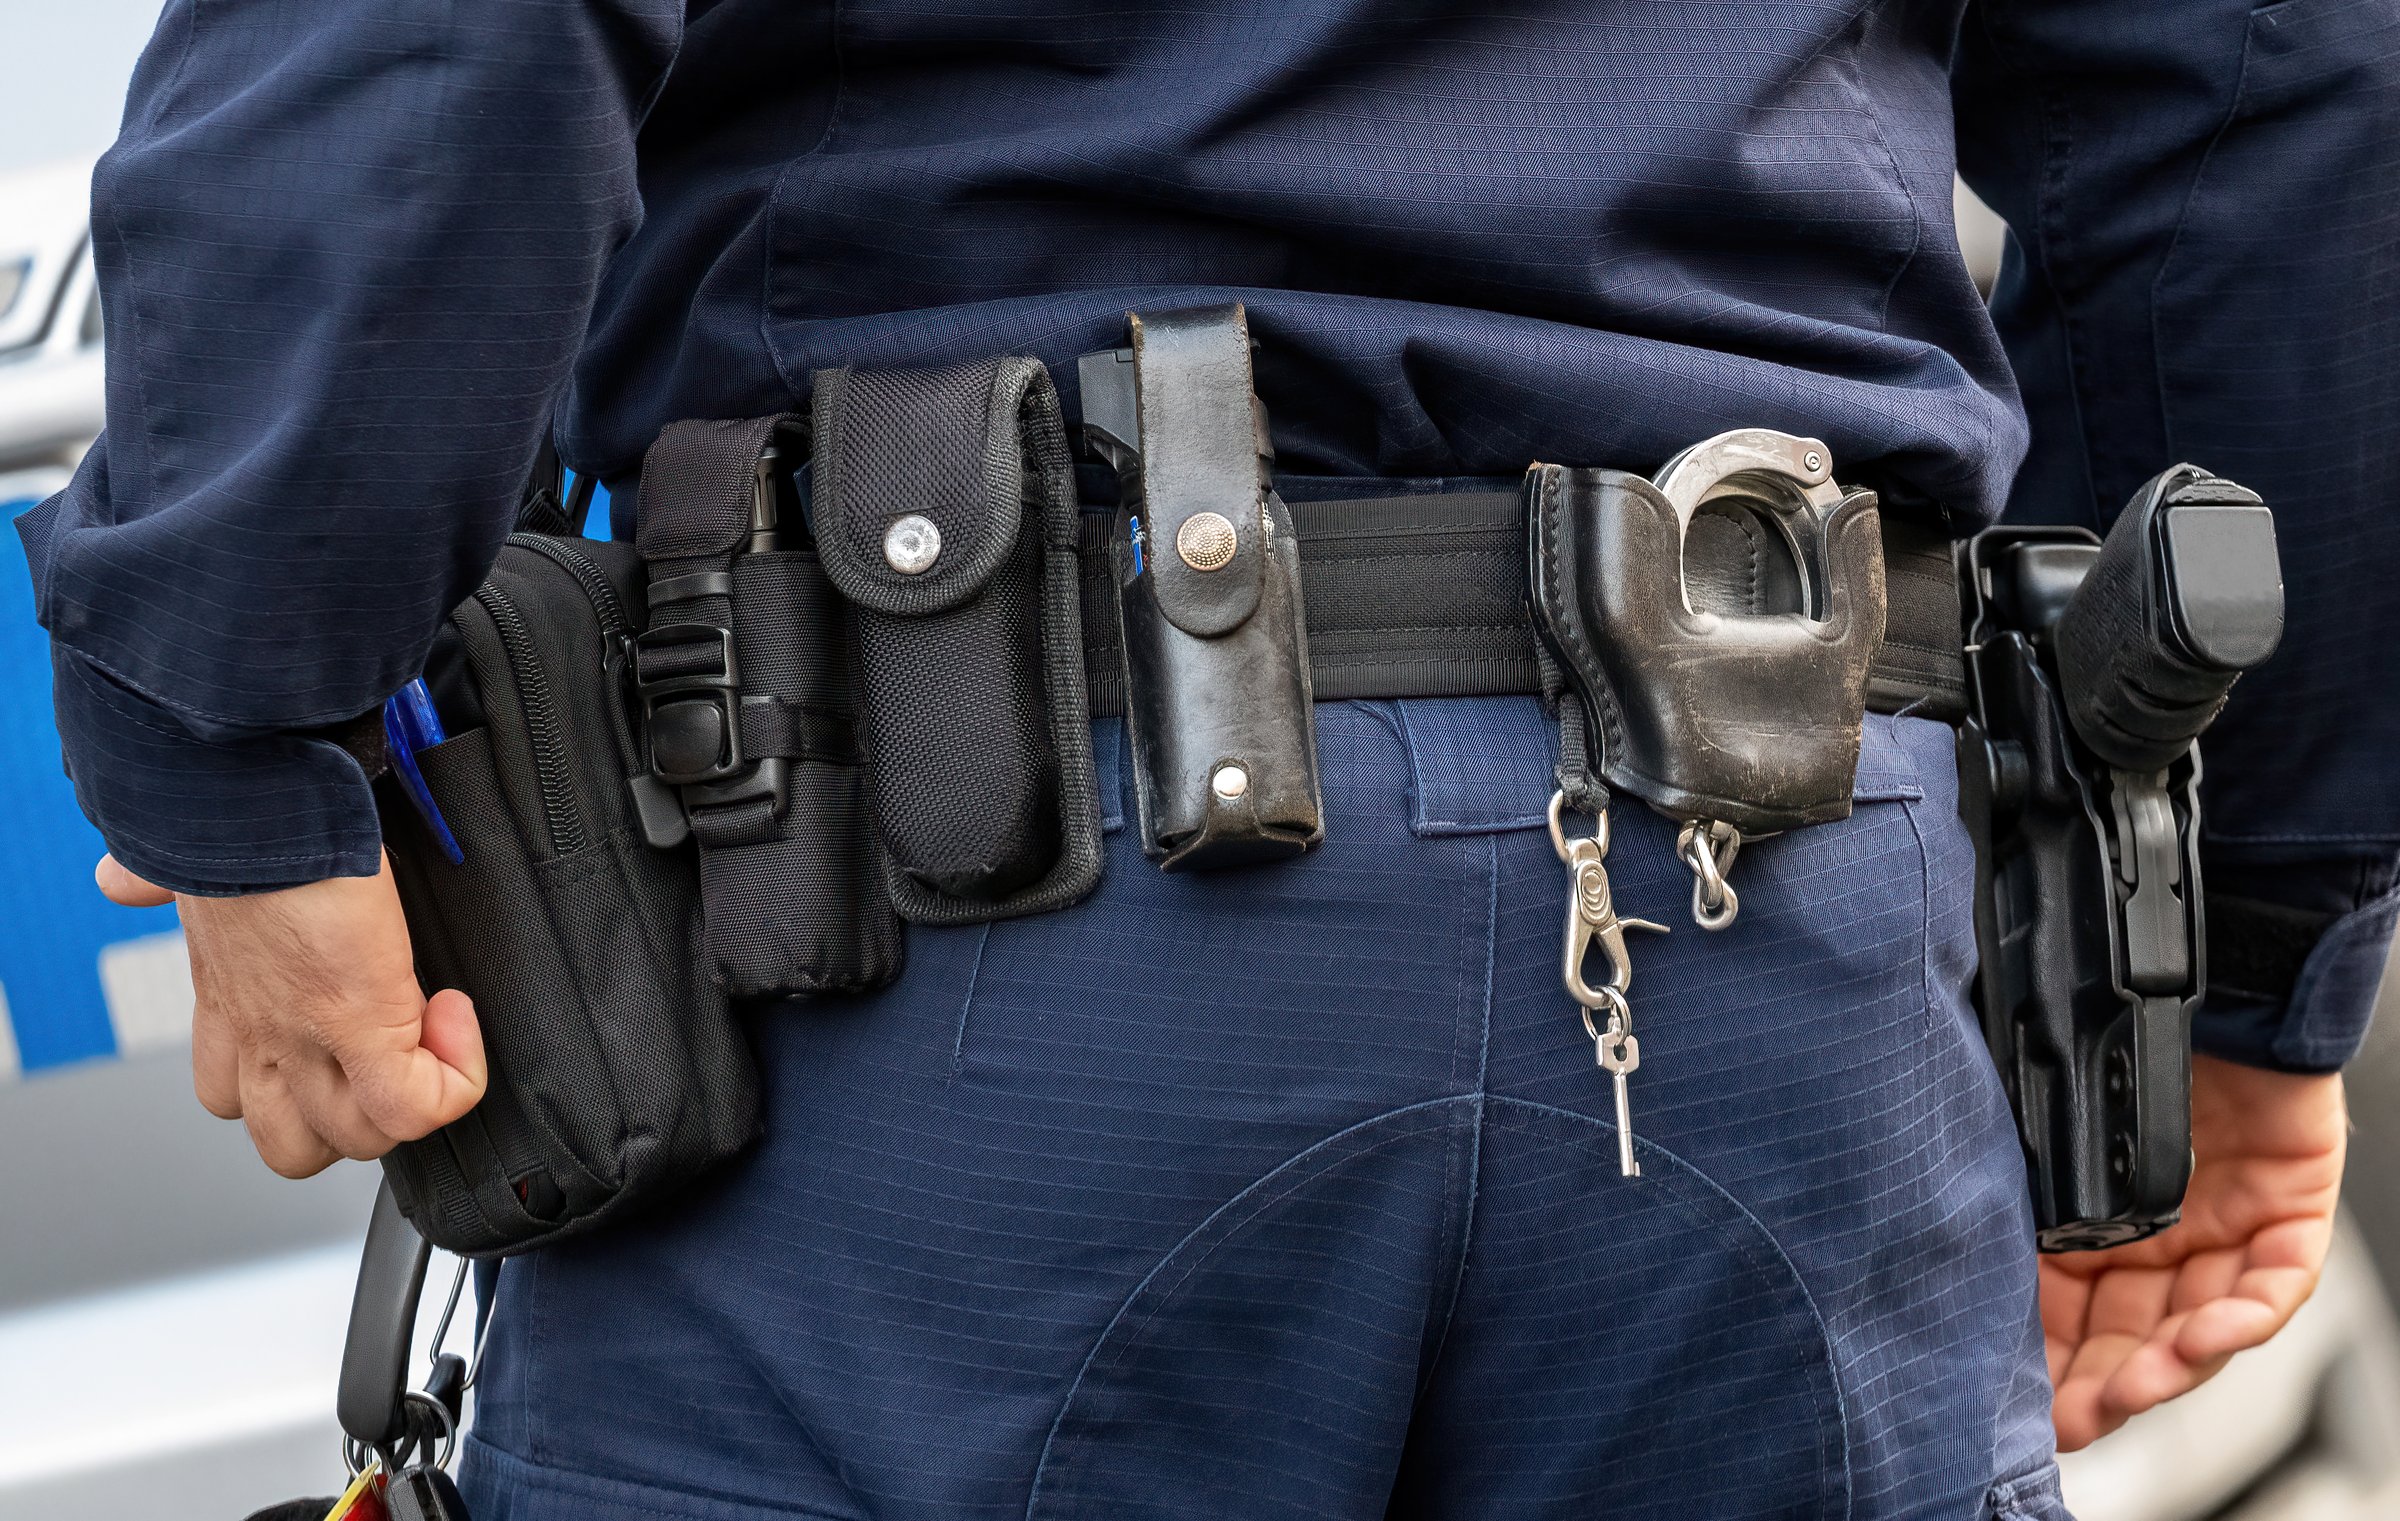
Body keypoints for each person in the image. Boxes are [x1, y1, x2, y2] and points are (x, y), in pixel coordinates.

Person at [23, 0, 2395, 1515]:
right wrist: (2236, 940)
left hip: (974, 946)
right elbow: (2277, 82)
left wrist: (240, 730)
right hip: (1784, 919)